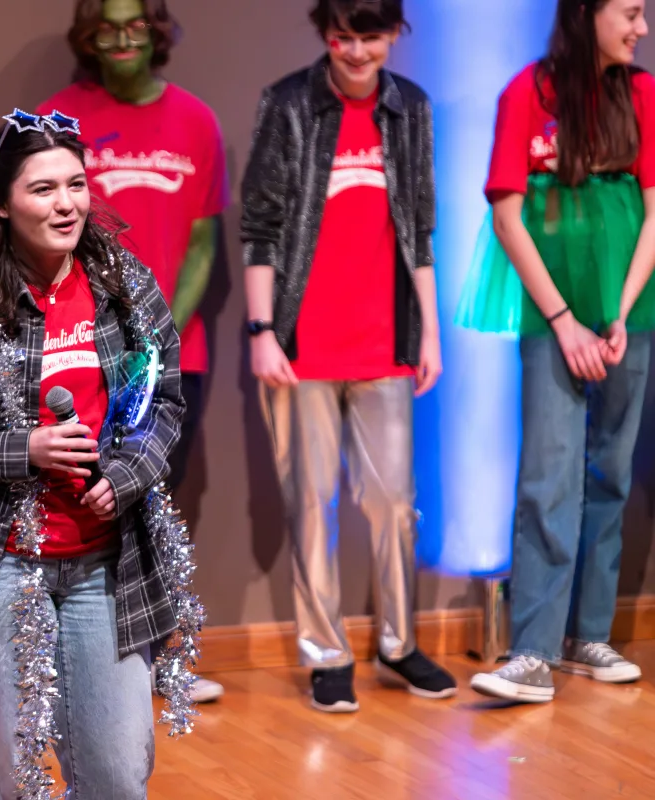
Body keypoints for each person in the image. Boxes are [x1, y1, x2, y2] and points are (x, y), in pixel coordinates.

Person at [0, 109, 185, 799]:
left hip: (104, 563)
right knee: (6, 775)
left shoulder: (125, 289)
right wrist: (24, 450)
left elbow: (164, 401)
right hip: (0, 564)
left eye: (76, 185)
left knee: (116, 774)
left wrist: (127, 472)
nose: (66, 204)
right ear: (0, 202)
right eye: (43, 189)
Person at [240, 0, 457, 713]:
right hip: (303, 343)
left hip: (383, 338)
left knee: (394, 502)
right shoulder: (290, 103)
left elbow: (420, 226)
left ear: (394, 35)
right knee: (311, 504)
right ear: (325, 34)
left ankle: (398, 643)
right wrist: (262, 329)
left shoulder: (410, 109)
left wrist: (429, 331)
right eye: (342, 37)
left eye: (370, 37)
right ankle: (325, 654)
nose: (356, 52)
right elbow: (261, 226)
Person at [463, 0, 655, 703]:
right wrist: (566, 320)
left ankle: (588, 635)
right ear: (587, 11)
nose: (641, 28)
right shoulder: (527, 91)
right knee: (548, 475)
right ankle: (533, 650)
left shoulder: (643, 93)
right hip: (554, 315)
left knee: (610, 468)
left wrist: (623, 310)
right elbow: (508, 214)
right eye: (630, 12)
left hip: (631, 306)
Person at [40, 0, 228, 704]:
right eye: (106, 29)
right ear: (89, 38)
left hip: (173, 352)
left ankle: (158, 654)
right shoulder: (56, 121)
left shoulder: (198, 120)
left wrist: (159, 337)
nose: (121, 41)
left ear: (156, 31)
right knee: (83, 498)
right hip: (76, 352)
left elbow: (206, 242)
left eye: (134, 25)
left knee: (155, 497)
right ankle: (85, 660)